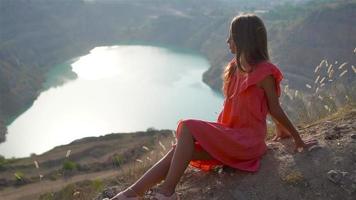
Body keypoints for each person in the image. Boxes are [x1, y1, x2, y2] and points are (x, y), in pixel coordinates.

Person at [107, 13, 318, 200]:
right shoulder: (235, 69)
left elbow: (274, 108)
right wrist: (280, 132)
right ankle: (129, 195)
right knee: (179, 150)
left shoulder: (265, 72)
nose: (227, 41)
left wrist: (297, 140)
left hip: (247, 144)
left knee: (188, 126)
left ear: (244, 40)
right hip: (230, 139)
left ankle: (167, 192)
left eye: (231, 37)